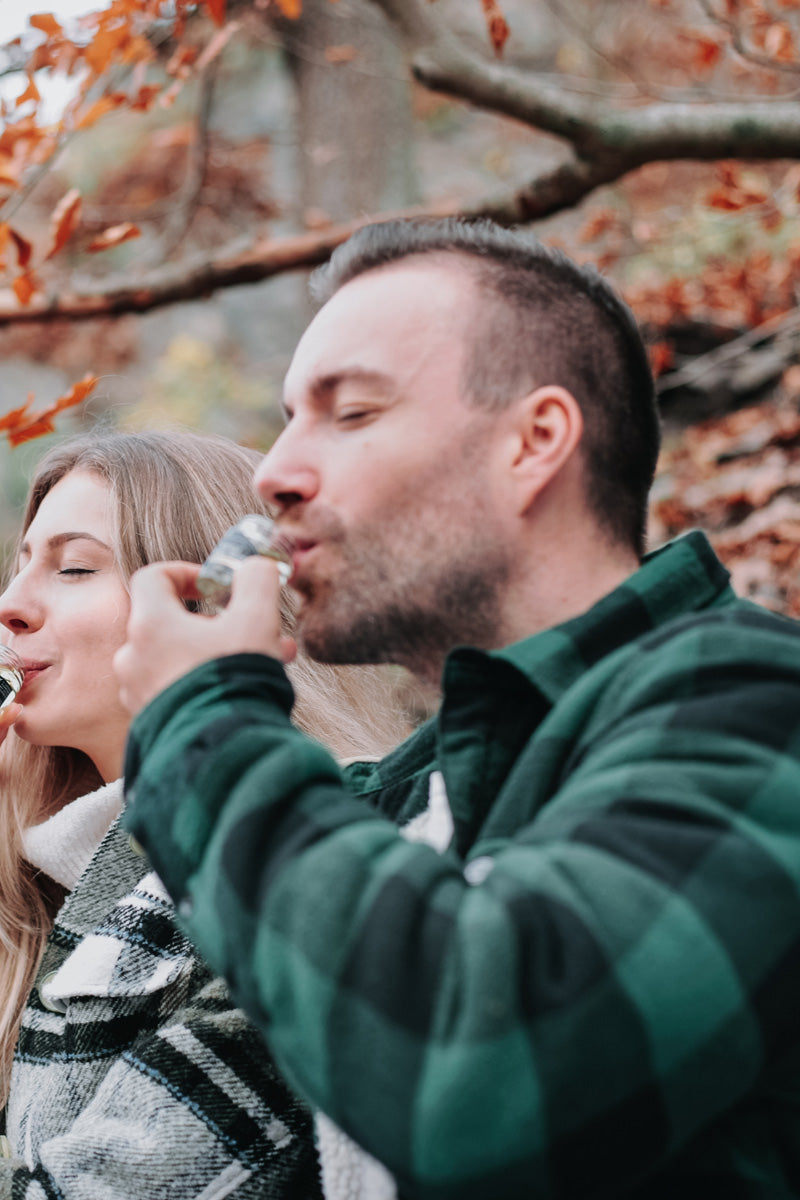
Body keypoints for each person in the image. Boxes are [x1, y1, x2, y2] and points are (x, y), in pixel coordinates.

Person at [114, 218, 800, 1198]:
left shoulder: (755, 705)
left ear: (534, 443)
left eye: (348, 414)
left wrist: (198, 716)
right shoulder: (420, 792)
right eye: (285, 418)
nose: (272, 472)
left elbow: (491, 1079)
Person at [0, 429, 398, 1200]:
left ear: (209, 604)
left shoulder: (309, 859)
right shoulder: (42, 876)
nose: (8, 605)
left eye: (74, 567)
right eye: (22, 565)